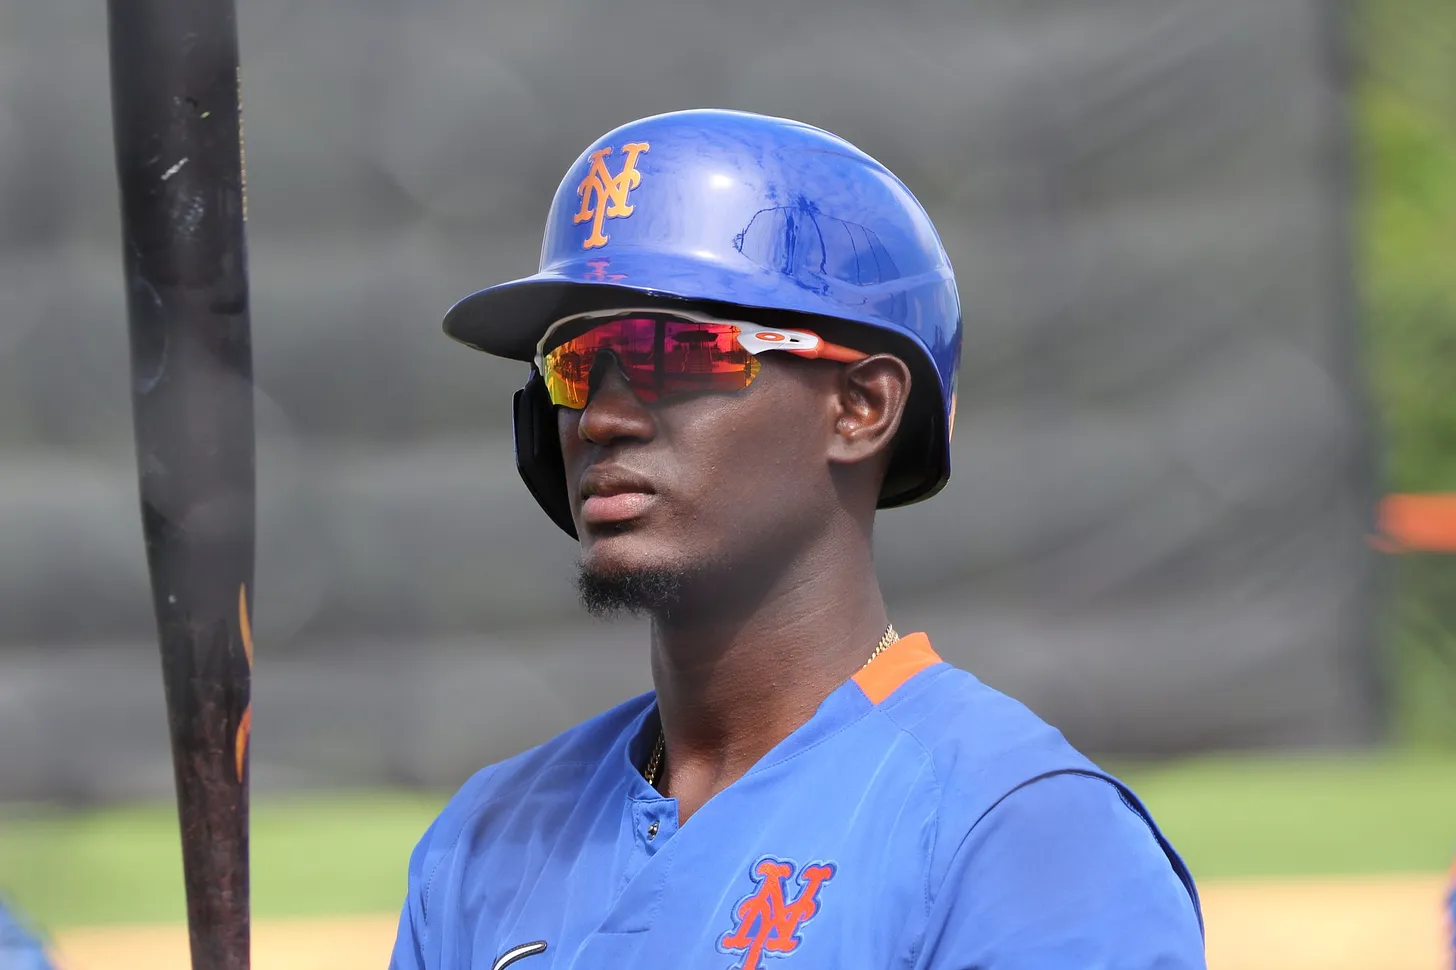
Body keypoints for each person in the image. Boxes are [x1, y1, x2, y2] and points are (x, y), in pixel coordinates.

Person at [389, 108, 1205, 970]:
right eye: (574, 366)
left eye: (672, 352)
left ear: (861, 408)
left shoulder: (1014, 835)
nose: (602, 415)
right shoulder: (486, 839)